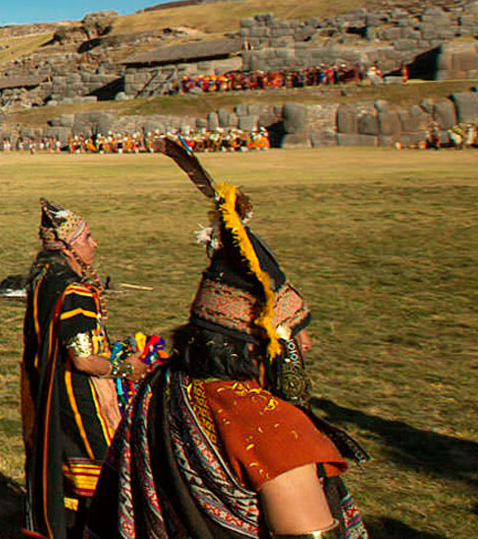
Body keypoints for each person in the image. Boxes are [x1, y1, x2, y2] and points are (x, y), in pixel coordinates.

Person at [84, 181, 369, 539]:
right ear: (258, 346)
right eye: (294, 333)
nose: (305, 345)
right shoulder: (276, 430)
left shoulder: (164, 384)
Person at [20, 199, 144, 538]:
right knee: (111, 468)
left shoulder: (44, 277)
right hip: (78, 396)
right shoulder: (74, 289)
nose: (94, 243)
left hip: (49, 388)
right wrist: (125, 367)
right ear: (69, 246)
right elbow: (84, 359)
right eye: (87, 237)